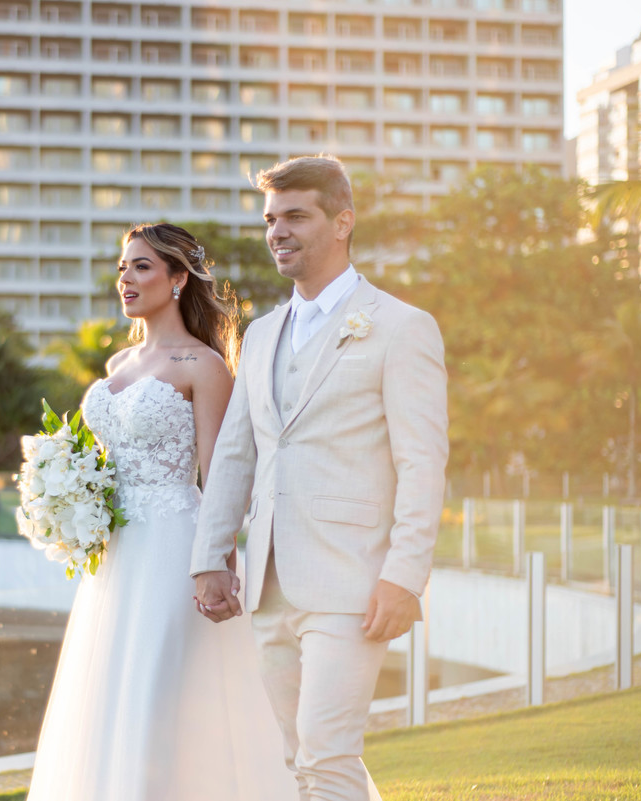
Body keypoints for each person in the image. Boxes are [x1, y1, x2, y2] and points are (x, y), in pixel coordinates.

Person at [190, 155, 449, 800]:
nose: (279, 231)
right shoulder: (261, 334)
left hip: (353, 584)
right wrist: (209, 557)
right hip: (268, 583)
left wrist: (404, 576)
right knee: (298, 757)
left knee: (327, 757)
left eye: (296, 216)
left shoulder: (401, 327)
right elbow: (234, 455)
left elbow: (423, 463)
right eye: (271, 219)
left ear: (343, 222)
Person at [26, 223, 298, 801]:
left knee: (162, 689)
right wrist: (70, 496)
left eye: (142, 266)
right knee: (111, 694)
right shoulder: (117, 364)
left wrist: (219, 568)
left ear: (178, 278)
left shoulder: (204, 365)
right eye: (123, 266)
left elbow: (221, 477)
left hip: (177, 550)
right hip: (116, 558)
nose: (125, 277)